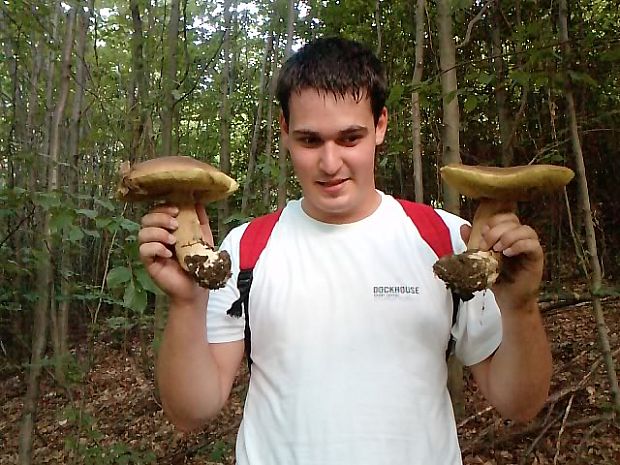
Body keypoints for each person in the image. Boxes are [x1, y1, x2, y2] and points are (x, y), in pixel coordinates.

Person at [138, 37, 552, 464]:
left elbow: (518, 404)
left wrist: (520, 308)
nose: (330, 163)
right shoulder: (246, 249)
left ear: (381, 126)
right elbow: (192, 411)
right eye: (310, 140)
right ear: (284, 131)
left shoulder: (448, 243)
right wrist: (187, 304)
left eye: (350, 137)